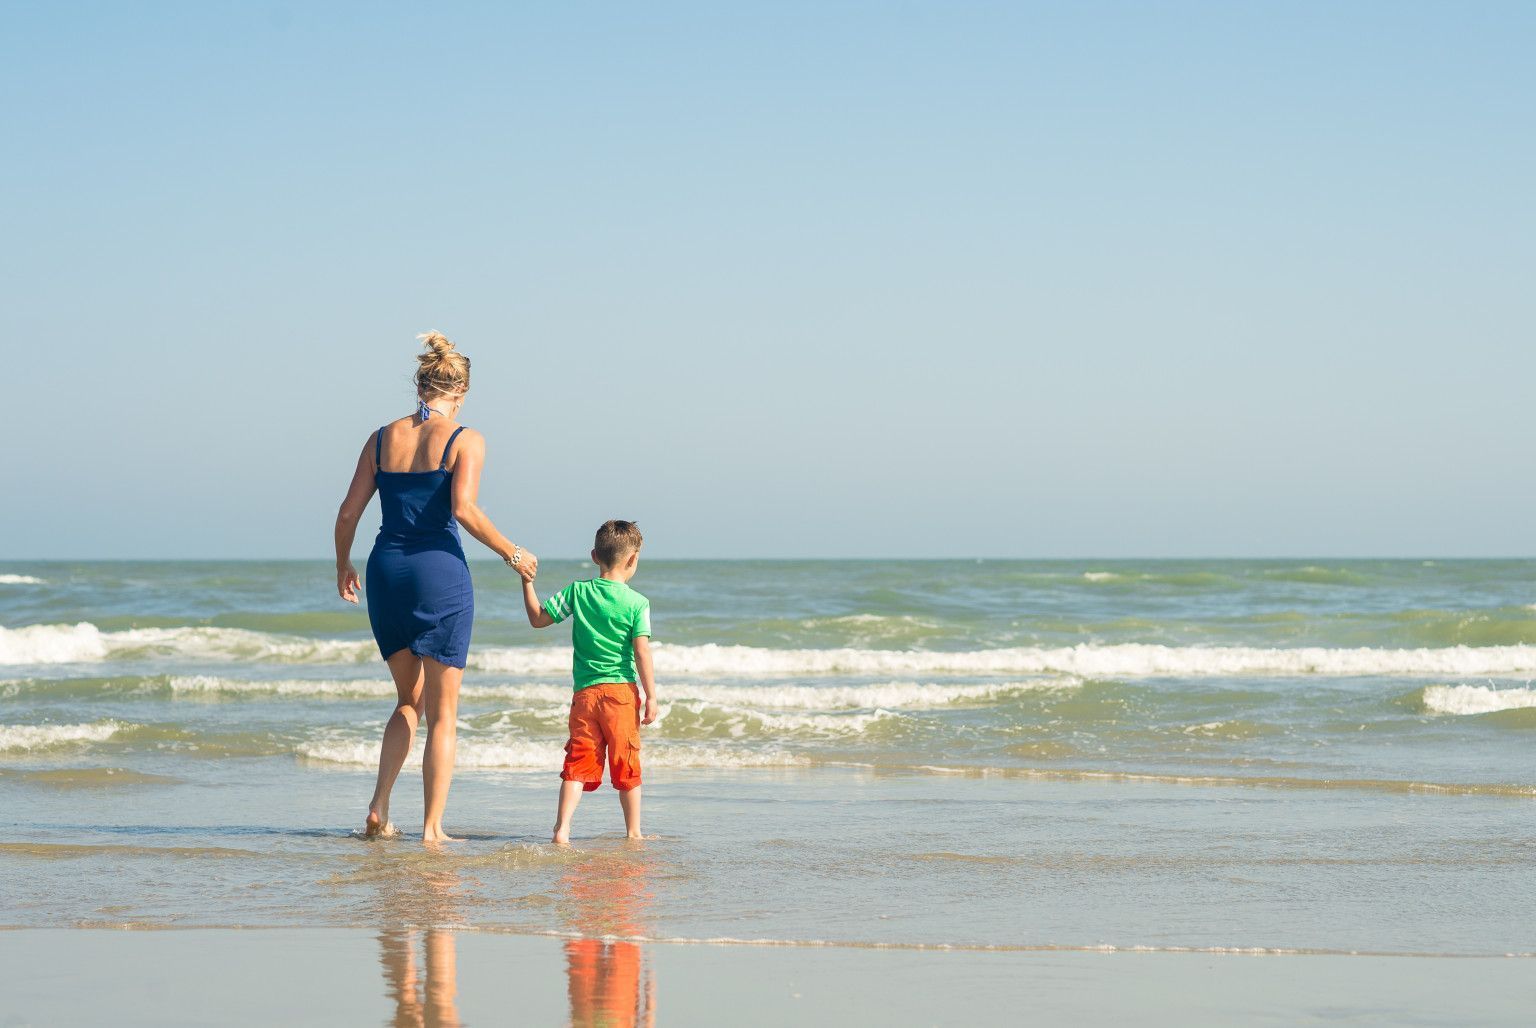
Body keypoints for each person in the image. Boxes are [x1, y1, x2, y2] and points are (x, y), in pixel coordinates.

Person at [334, 331, 537, 844]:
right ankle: (432, 829)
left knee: (409, 700)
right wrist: (513, 554)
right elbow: (464, 510)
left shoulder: (381, 438)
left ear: (420, 385)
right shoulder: (466, 438)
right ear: (460, 391)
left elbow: (348, 512)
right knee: (443, 714)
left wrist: (343, 566)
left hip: (385, 571)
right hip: (438, 574)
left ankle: (379, 805)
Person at [522, 520, 656, 844]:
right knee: (626, 761)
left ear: (595, 556)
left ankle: (562, 829)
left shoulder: (578, 592)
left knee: (578, 760)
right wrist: (651, 695)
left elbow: (538, 619)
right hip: (621, 694)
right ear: (633, 560)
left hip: (585, 695)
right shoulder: (637, 603)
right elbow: (641, 651)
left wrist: (527, 582)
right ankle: (634, 832)